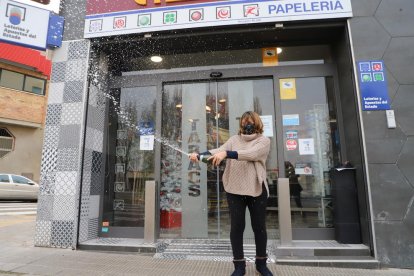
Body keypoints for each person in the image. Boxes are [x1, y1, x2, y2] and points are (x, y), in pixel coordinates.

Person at [190, 111, 273, 276]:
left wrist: (227, 154)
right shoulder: (234, 140)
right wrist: (199, 156)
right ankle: (239, 266)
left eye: (250, 122)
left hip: (257, 189)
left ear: (257, 124)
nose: (247, 125)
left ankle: (261, 264)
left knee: (259, 228)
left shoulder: (263, 141)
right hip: (234, 189)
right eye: (244, 122)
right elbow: (218, 151)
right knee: (237, 227)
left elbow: (252, 154)